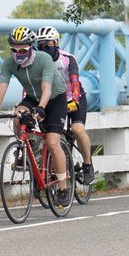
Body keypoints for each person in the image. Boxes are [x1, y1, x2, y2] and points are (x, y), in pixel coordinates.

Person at [0, 25, 70, 199]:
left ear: (31, 47)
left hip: (54, 98)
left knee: (52, 142)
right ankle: (27, 150)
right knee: (18, 117)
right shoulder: (9, 63)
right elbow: (1, 88)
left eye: (22, 50)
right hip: (32, 97)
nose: (18, 53)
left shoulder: (44, 59)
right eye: (14, 50)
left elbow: (47, 88)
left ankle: (63, 187)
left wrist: (41, 108)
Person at [36, 26, 95, 186]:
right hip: (55, 101)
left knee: (77, 130)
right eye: (40, 45)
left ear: (56, 43)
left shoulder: (67, 59)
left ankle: (88, 164)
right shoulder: (38, 63)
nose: (44, 48)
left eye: (47, 44)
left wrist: (74, 100)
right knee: (50, 137)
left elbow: (75, 80)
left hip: (73, 97)